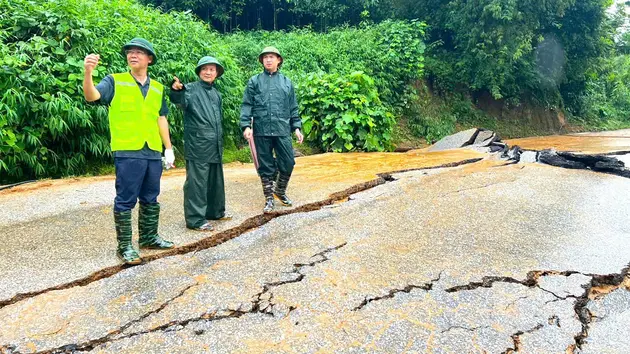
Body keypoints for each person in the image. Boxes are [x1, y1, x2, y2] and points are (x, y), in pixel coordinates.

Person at [83, 38, 175, 264]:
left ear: (149, 59)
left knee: (151, 197)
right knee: (125, 199)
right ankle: (124, 246)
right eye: (130, 52)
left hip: (152, 150)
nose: (133, 55)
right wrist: (88, 73)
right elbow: (91, 96)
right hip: (127, 149)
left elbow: (161, 118)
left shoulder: (158, 87)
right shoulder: (115, 81)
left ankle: (149, 237)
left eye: (139, 53)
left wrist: (169, 148)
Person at [170, 56, 232, 231]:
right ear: (199, 72)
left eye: (212, 69)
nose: (208, 72)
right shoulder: (189, 89)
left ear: (217, 73)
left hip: (215, 144)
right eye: (204, 69)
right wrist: (176, 90)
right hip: (198, 145)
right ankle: (195, 220)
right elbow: (179, 100)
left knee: (215, 180)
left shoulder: (216, 93)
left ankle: (215, 212)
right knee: (197, 183)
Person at [240, 46, 303, 213]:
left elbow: (293, 107)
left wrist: (296, 127)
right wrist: (246, 125)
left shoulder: (286, 82)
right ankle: (269, 199)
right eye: (265, 57)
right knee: (265, 165)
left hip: (282, 129)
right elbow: (247, 105)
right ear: (262, 61)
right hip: (261, 129)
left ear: (278, 60)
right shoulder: (254, 81)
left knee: (288, 162)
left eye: (272, 57)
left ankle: (280, 191)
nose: (268, 60)